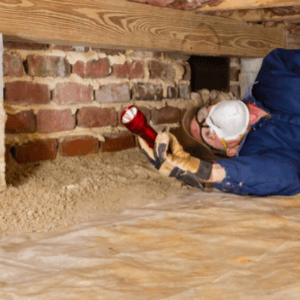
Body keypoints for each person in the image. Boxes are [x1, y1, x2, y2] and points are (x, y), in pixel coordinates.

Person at [138, 48, 300, 196]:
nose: (211, 120)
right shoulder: (258, 157)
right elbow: (285, 176)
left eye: (203, 115)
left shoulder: (275, 68)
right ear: (229, 150)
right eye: (208, 133)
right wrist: (207, 172)